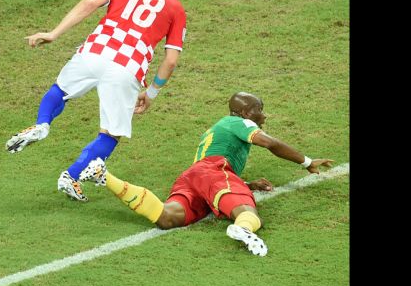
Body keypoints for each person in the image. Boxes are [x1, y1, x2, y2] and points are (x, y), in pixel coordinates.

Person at [6, 0, 187, 202]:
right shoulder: (176, 8)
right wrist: (152, 93)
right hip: (127, 67)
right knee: (111, 133)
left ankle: (42, 123)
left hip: (95, 51)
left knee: (60, 90)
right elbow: (171, 60)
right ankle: (71, 176)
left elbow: (89, 3)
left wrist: (53, 33)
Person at [77, 92, 335, 256]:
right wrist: (307, 161)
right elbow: (271, 144)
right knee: (247, 211)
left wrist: (245, 183)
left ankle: (105, 176)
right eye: (260, 109)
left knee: (167, 217)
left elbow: (206, 179)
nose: (263, 115)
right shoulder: (239, 122)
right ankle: (244, 229)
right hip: (213, 170)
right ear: (246, 113)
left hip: (194, 176)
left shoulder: (217, 130)